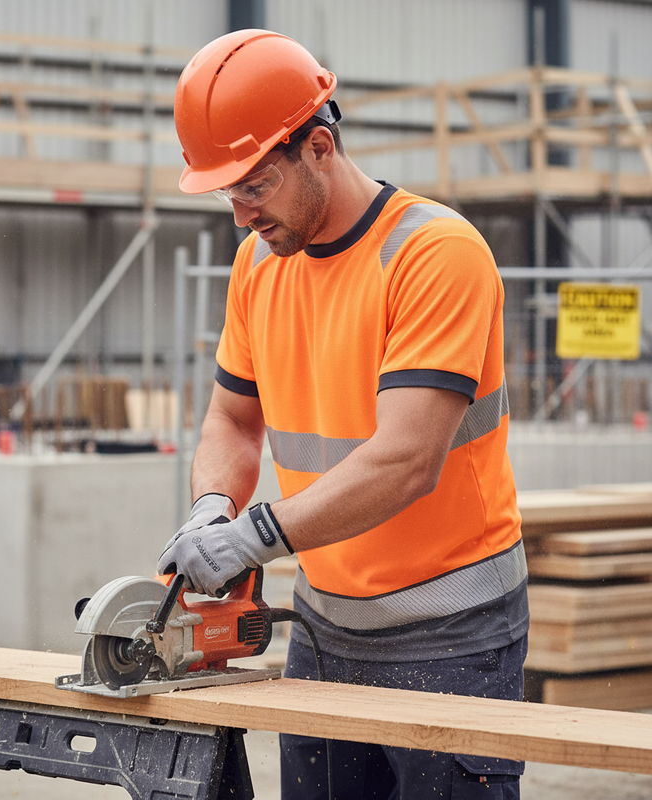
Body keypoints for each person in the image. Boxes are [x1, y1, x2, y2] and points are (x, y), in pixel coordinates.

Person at [158, 29, 529, 800]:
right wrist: (209, 509)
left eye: (253, 186)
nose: (239, 214)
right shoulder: (260, 263)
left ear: (318, 147)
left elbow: (405, 461)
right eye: (227, 192)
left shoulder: (433, 256)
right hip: (325, 630)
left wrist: (252, 538)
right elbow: (232, 421)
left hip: (453, 632)